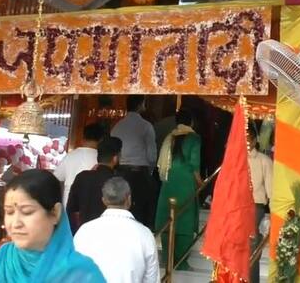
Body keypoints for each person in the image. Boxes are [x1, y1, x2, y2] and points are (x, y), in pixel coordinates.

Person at [0, 169, 106, 282]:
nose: (16, 223)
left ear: (55, 213)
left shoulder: (83, 275)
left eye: (27, 212)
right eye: (9, 212)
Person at [74, 177, 160, 283]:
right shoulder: (145, 234)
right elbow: (151, 280)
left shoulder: (84, 231)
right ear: (129, 199)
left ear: (104, 200)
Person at [155, 110, 201, 271]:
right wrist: (201, 184)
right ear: (192, 122)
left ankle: (168, 259)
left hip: (169, 182)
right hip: (186, 183)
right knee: (185, 222)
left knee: (169, 220)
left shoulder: (170, 137)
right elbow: (195, 165)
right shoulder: (194, 138)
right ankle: (181, 262)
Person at [111, 95, 157, 228]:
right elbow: (152, 155)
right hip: (139, 173)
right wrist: (150, 171)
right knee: (142, 210)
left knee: (120, 207)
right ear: (141, 104)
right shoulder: (146, 126)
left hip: (120, 172)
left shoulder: (117, 126)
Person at [67, 136, 122, 233]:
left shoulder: (82, 177)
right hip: (108, 235)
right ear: (115, 158)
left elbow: (71, 209)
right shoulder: (117, 182)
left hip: (81, 233)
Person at [55, 123, 104, 208]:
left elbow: (57, 177)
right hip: (92, 204)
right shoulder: (102, 159)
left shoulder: (70, 156)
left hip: (69, 203)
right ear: (101, 139)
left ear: (83, 137)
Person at [247, 127, 273, 282]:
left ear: (255, 140)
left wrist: (274, 212)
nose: (247, 142)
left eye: (249, 139)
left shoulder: (264, 160)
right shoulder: (236, 158)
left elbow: (270, 188)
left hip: (255, 206)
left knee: (251, 244)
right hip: (238, 206)